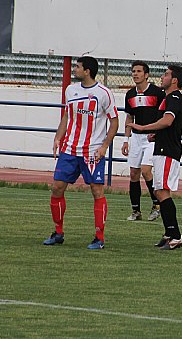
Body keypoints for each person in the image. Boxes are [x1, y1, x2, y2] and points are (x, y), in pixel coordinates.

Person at [43, 56, 119, 249]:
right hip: (69, 149)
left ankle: (99, 237)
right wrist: (57, 138)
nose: (75, 70)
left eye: (77, 67)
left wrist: (104, 146)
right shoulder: (71, 90)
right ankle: (58, 232)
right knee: (57, 187)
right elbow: (67, 115)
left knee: (96, 191)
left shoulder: (104, 93)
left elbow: (114, 122)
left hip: (92, 152)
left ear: (87, 71)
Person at [127, 65, 182, 250]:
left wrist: (144, 128)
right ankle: (169, 233)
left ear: (174, 80)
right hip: (162, 147)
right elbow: (168, 125)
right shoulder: (168, 98)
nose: (162, 77)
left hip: (168, 151)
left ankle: (175, 235)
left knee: (162, 192)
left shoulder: (174, 97)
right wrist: (156, 135)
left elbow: (168, 121)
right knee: (160, 191)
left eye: (166, 74)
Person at [122, 61, 166, 222]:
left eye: (139, 71)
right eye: (133, 71)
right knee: (134, 173)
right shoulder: (130, 94)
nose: (135, 74)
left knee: (146, 171)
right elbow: (129, 117)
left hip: (151, 138)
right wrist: (126, 140)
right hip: (136, 138)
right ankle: (136, 211)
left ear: (146, 74)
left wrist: (158, 133)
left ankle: (157, 206)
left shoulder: (157, 92)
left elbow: (164, 115)